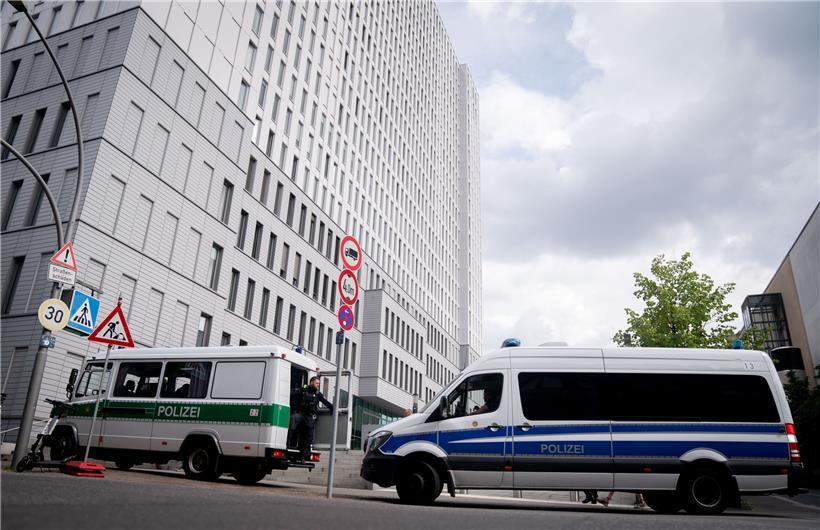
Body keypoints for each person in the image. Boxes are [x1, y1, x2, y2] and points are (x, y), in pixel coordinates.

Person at [288, 376, 333, 460]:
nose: (318, 385)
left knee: (308, 435)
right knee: (293, 423)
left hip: (309, 416)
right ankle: (289, 445)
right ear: (311, 382)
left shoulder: (317, 394)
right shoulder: (303, 390)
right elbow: (292, 394)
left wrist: (334, 410)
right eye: (317, 383)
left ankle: (304, 454)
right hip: (300, 413)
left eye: (319, 384)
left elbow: (326, 402)